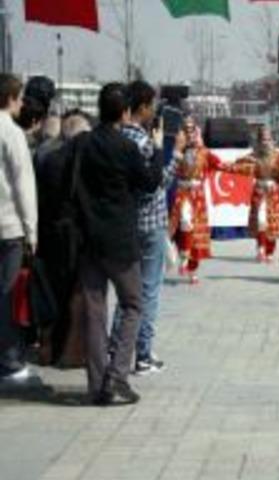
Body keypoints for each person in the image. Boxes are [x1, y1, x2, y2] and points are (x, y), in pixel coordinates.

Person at [77, 83, 176, 405]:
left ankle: (96, 384)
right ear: (124, 112)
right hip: (120, 239)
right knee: (133, 303)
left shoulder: (84, 144)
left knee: (94, 313)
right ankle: (117, 377)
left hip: (89, 238)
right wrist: (160, 149)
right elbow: (149, 184)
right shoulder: (126, 147)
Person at [34, 110, 91, 366]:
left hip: (51, 233)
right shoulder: (84, 162)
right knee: (77, 292)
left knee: (51, 292)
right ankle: (73, 351)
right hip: (77, 235)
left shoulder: (49, 160)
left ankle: (48, 348)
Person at [0, 74, 36, 382]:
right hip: (8, 226)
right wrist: (31, 230)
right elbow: (24, 184)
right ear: (11, 98)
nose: (22, 103)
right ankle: (10, 361)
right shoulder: (11, 133)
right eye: (20, 98)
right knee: (8, 294)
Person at [168, 117, 226, 284]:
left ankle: (192, 270)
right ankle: (184, 256)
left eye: (192, 129)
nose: (189, 132)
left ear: (197, 131)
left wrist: (243, 166)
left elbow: (220, 164)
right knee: (185, 223)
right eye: (186, 129)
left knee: (196, 233)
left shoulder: (204, 152)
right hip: (183, 193)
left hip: (197, 196)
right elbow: (168, 169)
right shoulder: (177, 151)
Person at [226, 125, 279, 263]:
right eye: (262, 139)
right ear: (258, 142)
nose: (265, 142)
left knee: (272, 224)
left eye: (267, 139)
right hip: (259, 190)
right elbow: (238, 162)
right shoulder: (253, 155)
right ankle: (261, 248)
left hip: (273, 191)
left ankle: (270, 252)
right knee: (260, 220)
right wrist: (250, 160)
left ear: (272, 140)